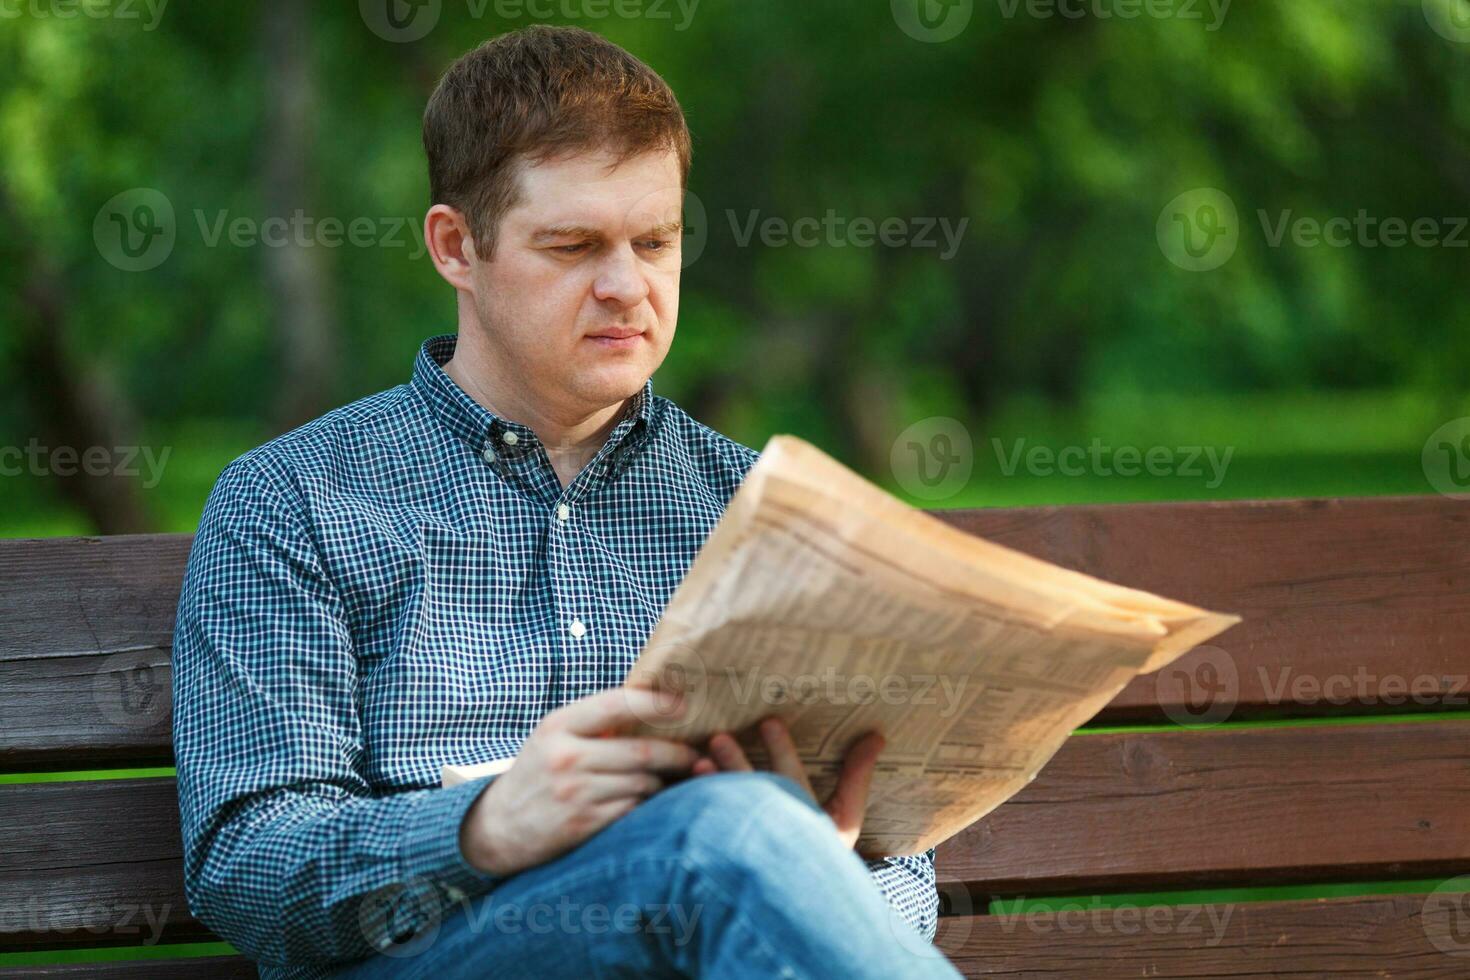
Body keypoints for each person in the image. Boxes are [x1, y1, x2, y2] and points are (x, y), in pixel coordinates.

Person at [172, 24, 961, 979]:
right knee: (719, 834)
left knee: (736, 838)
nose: (627, 286)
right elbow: (246, 864)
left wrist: (813, 880)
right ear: (456, 246)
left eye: (656, 241)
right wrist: (484, 825)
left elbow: (904, 858)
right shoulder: (294, 498)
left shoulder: (759, 507)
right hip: (434, 956)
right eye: (574, 245)